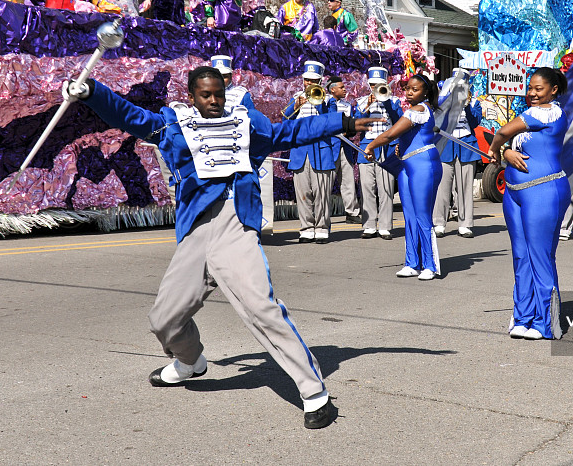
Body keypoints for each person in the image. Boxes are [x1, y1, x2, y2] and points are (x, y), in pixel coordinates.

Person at [62, 65, 379, 429]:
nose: (213, 101)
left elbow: (288, 131)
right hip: (196, 230)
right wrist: (91, 92)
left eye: (217, 93)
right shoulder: (172, 125)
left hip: (235, 223)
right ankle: (190, 362)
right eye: (205, 95)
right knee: (164, 319)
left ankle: (314, 393)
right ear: (192, 95)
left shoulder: (248, 124)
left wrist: (341, 123)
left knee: (260, 306)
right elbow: (127, 115)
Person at [487, 67, 570, 340]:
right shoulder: (532, 115)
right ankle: (523, 317)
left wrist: (497, 147)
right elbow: (511, 142)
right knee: (521, 255)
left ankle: (546, 322)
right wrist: (507, 152)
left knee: (540, 256)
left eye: (538, 88)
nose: (532, 94)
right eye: (530, 88)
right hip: (514, 192)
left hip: (543, 191)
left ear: (553, 90)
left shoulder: (547, 113)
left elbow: (501, 132)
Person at [364, 74, 443, 280]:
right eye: (407, 88)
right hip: (406, 165)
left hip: (424, 164)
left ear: (425, 92)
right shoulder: (411, 109)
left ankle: (430, 264)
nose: (409, 92)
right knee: (409, 216)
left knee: (422, 215)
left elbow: (391, 134)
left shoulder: (419, 110)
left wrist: (371, 145)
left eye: (414, 89)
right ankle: (411, 262)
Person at [283, 61, 337, 244]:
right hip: (300, 151)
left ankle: (322, 228)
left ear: (321, 81)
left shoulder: (328, 99)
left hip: (321, 151)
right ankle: (306, 228)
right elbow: (285, 119)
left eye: (313, 81)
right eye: (307, 81)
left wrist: (319, 102)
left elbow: (331, 123)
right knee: (303, 191)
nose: (309, 84)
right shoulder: (297, 97)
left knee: (321, 192)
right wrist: (296, 105)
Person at [433, 69, 482, 238]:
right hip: (445, 147)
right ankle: (439, 222)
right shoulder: (442, 100)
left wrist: (467, 105)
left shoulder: (474, 102)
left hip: (466, 146)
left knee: (465, 188)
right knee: (442, 188)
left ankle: (465, 224)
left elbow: (475, 122)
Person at [355, 67, 402, 240]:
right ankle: (369, 225)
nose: (376, 88)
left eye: (380, 85)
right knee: (367, 187)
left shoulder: (394, 101)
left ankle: (385, 226)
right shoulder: (361, 101)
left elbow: (398, 121)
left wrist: (386, 100)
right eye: (373, 85)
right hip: (367, 147)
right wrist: (368, 104)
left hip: (387, 147)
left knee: (386, 188)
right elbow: (355, 123)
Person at [326, 76, 362, 224]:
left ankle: (352, 212)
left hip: (345, 145)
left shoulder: (347, 105)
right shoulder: (325, 102)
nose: (344, 89)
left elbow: (352, 123)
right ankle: (323, 212)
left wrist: (349, 131)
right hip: (330, 147)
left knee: (347, 180)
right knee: (326, 182)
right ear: (332, 89)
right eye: (341, 87)